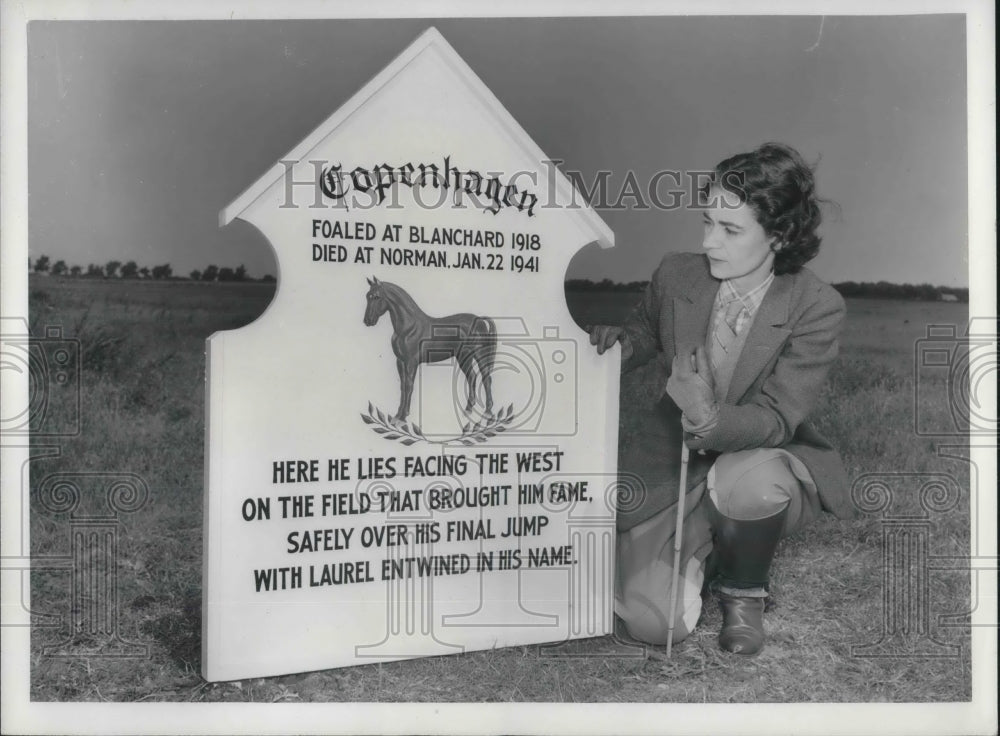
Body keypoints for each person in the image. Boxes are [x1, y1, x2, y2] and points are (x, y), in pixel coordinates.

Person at [590, 142, 854, 655]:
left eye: (730, 230)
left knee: (746, 482)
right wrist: (614, 346)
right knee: (654, 626)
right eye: (707, 222)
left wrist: (707, 416)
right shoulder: (677, 273)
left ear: (779, 236)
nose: (709, 241)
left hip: (760, 461)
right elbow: (644, 332)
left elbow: (776, 418)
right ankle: (707, 552)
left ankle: (743, 592)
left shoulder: (817, 306)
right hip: (672, 465)